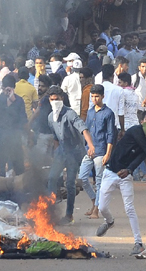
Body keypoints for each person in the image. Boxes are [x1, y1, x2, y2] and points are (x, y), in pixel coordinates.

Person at [96, 110, 146, 255]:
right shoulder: (136, 131)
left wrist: (129, 170)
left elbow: (141, 157)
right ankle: (109, 221)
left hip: (125, 176)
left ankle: (138, 243)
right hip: (110, 172)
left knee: (129, 208)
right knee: (102, 207)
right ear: (141, 121)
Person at [47, 86, 95, 225]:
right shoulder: (50, 117)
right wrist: (56, 154)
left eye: (57, 99)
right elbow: (55, 137)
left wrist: (91, 146)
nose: (54, 101)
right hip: (61, 151)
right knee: (51, 178)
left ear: (62, 98)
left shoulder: (70, 114)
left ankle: (69, 215)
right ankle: (50, 211)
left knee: (70, 183)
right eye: (52, 99)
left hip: (74, 152)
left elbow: (83, 129)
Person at [79, 84, 116, 219]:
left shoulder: (108, 113)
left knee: (99, 181)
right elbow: (86, 131)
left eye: (97, 96)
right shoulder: (90, 112)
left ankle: (96, 210)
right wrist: (87, 146)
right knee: (82, 178)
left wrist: (108, 153)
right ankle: (94, 201)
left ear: (102, 96)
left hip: (101, 151)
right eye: (92, 96)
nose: (94, 99)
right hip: (90, 150)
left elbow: (111, 135)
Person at [0, 75, 27, 176]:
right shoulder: (19, 100)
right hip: (15, 138)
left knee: (0, 165)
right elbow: (23, 120)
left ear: (2, 86)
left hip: (0, 138)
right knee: (18, 167)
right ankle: (20, 188)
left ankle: (1, 189)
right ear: (14, 86)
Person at [100, 64, 125, 135]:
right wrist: (122, 129)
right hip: (113, 126)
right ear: (113, 76)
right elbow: (121, 112)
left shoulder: (95, 90)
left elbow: (90, 109)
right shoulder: (119, 90)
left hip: (98, 125)